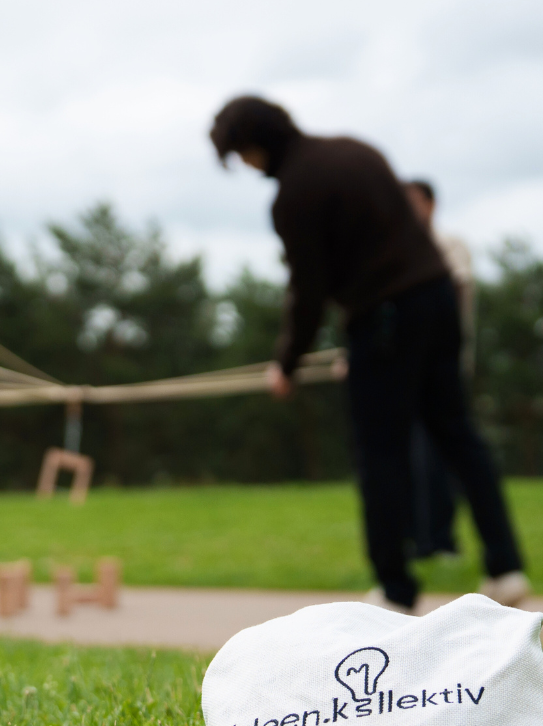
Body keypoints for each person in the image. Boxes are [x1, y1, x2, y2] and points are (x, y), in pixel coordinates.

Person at [209, 96, 528, 612]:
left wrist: (286, 363)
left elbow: (308, 289)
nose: (245, 167)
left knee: (381, 452)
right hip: (437, 299)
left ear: (253, 145)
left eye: (240, 155)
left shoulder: (294, 193)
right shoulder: (356, 150)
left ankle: (396, 589)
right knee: (460, 436)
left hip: (382, 317)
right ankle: (507, 568)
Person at [404, 179, 477, 560]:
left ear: (431, 205)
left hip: (441, 369)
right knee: (415, 456)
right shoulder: (398, 251)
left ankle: (442, 541)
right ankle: (422, 540)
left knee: (440, 457)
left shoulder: (449, 245)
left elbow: (453, 293)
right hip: (406, 373)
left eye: (412, 201)